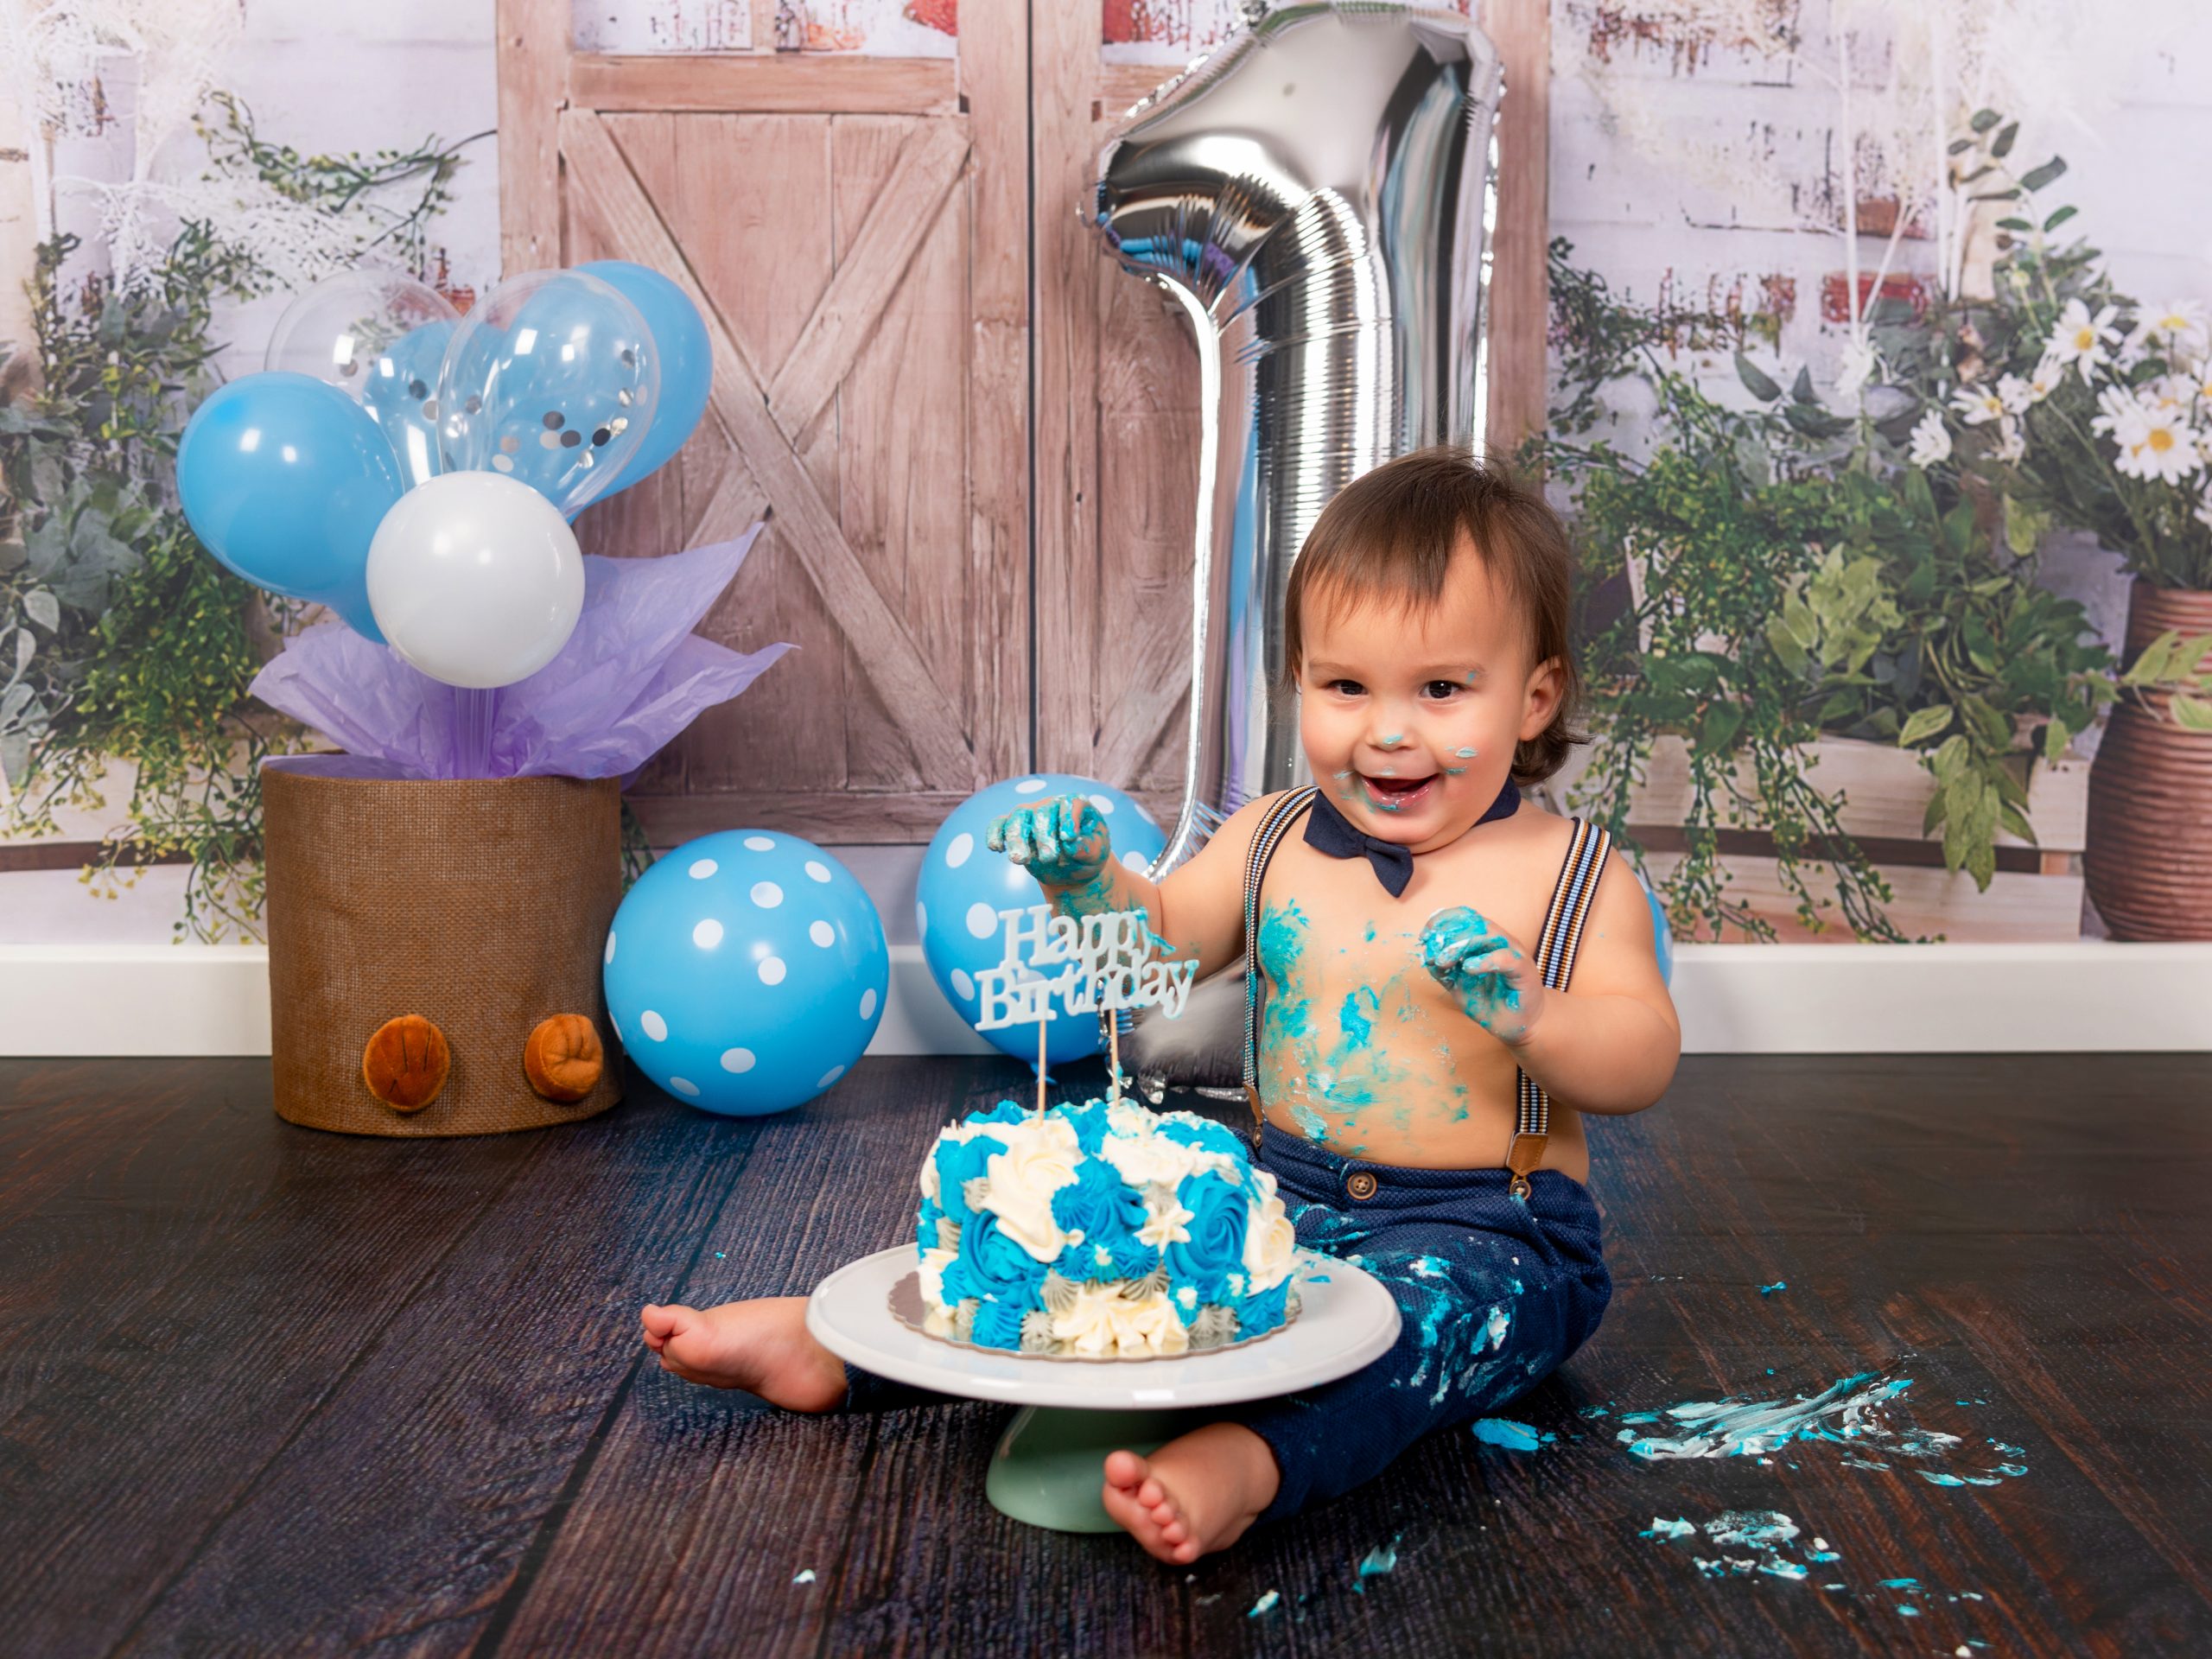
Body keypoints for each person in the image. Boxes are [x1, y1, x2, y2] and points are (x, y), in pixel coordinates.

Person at [639, 448, 1680, 1563]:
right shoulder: (1274, 837)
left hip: (1488, 1226)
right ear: (1301, 681)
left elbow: (1640, 1060)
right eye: (1346, 687)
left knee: (1410, 1343)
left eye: (1440, 690)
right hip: (1278, 1200)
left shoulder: (1576, 874)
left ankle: (1251, 1462)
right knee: (1088, 1269)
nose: (1387, 730)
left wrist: (1536, 1016)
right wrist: (1088, 883)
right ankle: (844, 1356)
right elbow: (1153, 953)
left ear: (1534, 697)